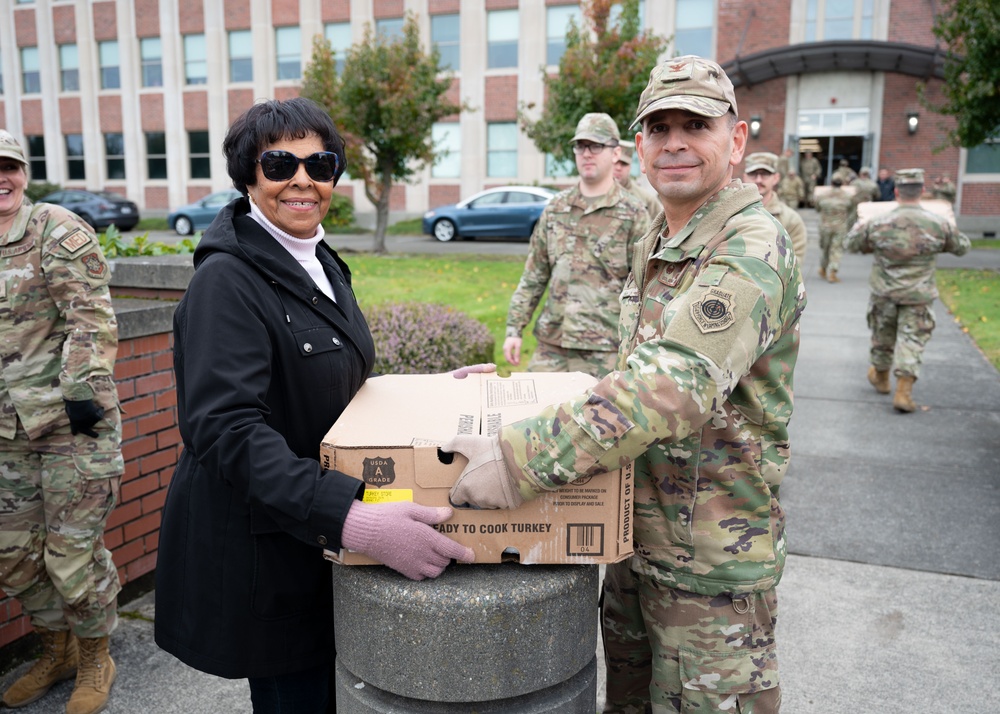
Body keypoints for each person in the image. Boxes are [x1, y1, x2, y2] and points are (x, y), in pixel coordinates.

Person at [446, 55, 804, 713]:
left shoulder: (748, 247)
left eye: (694, 125)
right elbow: (629, 368)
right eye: (659, 127)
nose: (674, 143)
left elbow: (669, 387)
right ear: (636, 147)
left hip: (709, 573)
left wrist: (518, 457)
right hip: (636, 541)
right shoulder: (669, 240)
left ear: (737, 138)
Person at [153, 98, 476, 714]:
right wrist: (351, 519)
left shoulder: (318, 259)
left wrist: (431, 389)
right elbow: (224, 430)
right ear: (248, 176)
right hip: (266, 555)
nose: (302, 179)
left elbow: (333, 378)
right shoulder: (227, 281)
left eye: (319, 163)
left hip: (310, 538)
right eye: (279, 163)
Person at [0, 130, 123, 714]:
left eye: (10, 167)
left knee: (71, 556)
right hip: (5, 435)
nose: (1, 179)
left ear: (24, 173)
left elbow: (91, 316)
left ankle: (96, 656)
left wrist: (82, 392)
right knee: (13, 556)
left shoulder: (54, 229)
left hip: (71, 427)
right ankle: (58, 651)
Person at [503, 112, 649, 378]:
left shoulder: (634, 213)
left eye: (596, 146)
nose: (587, 153)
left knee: (598, 419)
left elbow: (644, 287)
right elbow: (534, 275)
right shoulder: (556, 208)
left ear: (616, 153)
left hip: (605, 349)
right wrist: (514, 329)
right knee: (530, 412)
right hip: (552, 344)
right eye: (581, 146)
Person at [844, 168, 970, 412]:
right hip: (918, 295)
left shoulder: (878, 222)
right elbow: (962, 247)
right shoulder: (938, 223)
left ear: (896, 191)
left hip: (884, 292)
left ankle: (881, 378)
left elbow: (850, 243)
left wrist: (865, 231)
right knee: (912, 340)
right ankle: (903, 391)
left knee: (882, 336)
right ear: (922, 191)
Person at [744, 150, 808, 263]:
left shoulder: (791, 220)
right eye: (753, 174)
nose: (758, 179)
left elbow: (793, 268)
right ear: (745, 177)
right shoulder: (729, 214)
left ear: (776, 178)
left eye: (765, 174)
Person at [815, 176, 853, 283]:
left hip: (825, 226)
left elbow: (817, 208)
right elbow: (851, 210)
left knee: (825, 248)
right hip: (840, 227)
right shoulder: (847, 196)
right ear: (842, 184)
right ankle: (832, 272)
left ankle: (822, 268)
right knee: (836, 249)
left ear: (831, 183)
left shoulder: (822, 195)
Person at [614, 139, 661, 220]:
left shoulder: (647, 199)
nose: (618, 168)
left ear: (630, 167)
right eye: (615, 162)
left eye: (624, 164)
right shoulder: (594, 193)